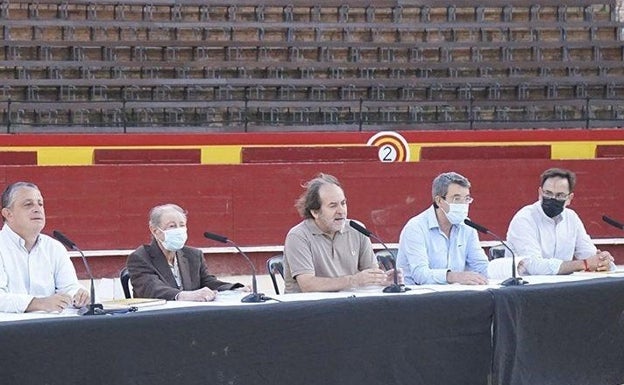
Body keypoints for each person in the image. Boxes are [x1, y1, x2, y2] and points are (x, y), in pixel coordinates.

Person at [283, 173, 398, 293]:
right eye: (333, 206)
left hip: (348, 305)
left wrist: (385, 280)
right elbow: (307, 285)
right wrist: (353, 280)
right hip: (309, 308)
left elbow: (370, 275)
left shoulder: (357, 229)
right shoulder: (298, 236)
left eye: (343, 203)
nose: (341, 211)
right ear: (315, 212)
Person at [0, 181, 90, 313]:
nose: (37, 209)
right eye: (28, 204)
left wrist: (78, 296)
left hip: (50, 329)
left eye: (40, 204)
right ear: (8, 214)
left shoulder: (54, 247)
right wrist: (39, 303)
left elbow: (69, 287)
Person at [506, 168, 615, 275]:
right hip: (524, 288)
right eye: (548, 193)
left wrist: (602, 262)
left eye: (560, 195)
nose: (552, 198)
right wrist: (584, 264)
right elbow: (533, 266)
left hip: (561, 287)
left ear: (569, 198)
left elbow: (589, 254)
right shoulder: (524, 218)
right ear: (540, 193)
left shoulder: (571, 218)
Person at [127, 204, 244, 301]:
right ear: (155, 231)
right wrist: (183, 295)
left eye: (182, 225)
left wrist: (233, 289)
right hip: (157, 320)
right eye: (172, 226)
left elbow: (208, 282)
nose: (178, 230)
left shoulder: (193, 255)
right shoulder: (140, 257)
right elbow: (152, 289)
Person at [396, 172, 489, 285]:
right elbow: (420, 275)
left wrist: (508, 269)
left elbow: (481, 266)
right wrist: (454, 276)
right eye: (457, 199)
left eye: (466, 199)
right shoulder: (416, 228)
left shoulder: (467, 226)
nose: (463, 204)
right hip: (417, 297)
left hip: (454, 295)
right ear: (439, 201)